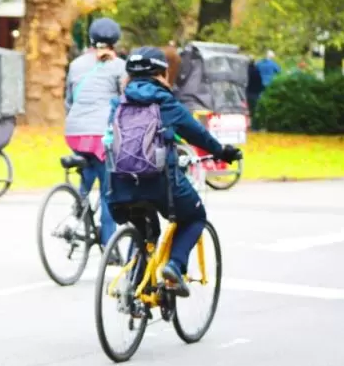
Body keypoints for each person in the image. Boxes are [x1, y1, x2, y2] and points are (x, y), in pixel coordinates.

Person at [106, 47, 241, 296]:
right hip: (159, 183)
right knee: (195, 216)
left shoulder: (118, 103)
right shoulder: (166, 102)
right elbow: (197, 135)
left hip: (118, 187)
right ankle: (175, 266)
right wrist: (223, 152)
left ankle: (135, 290)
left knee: (143, 231)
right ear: (162, 72)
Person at [64, 18, 125, 247]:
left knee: (88, 171)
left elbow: (69, 101)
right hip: (100, 136)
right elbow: (124, 102)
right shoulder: (119, 66)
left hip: (74, 134)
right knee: (109, 188)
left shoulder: (76, 64)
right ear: (115, 41)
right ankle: (109, 244)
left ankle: (75, 215)